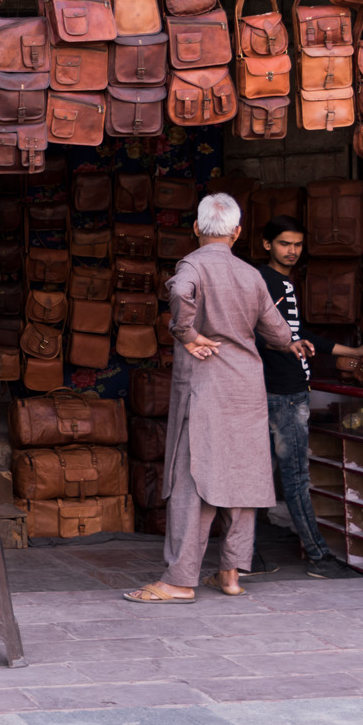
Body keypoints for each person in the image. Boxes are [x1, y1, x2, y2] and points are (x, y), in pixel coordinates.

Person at [126, 193, 302, 604]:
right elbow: (278, 335)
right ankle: (231, 574)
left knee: (195, 480)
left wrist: (186, 333)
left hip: (206, 386)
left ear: (196, 229)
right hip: (246, 387)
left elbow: (180, 293)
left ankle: (180, 579)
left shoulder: (193, 265)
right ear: (237, 233)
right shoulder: (251, 275)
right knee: (241, 477)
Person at [253, 215, 363, 579]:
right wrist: (284, 346)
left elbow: (300, 334)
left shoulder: (285, 283)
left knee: (271, 477)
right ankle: (319, 558)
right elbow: (255, 334)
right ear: (267, 244)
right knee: (295, 478)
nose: (292, 251)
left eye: (298, 245)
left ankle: (245, 557)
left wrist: (352, 351)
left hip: (290, 391)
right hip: (282, 393)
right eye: (285, 243)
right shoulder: (264, 282)